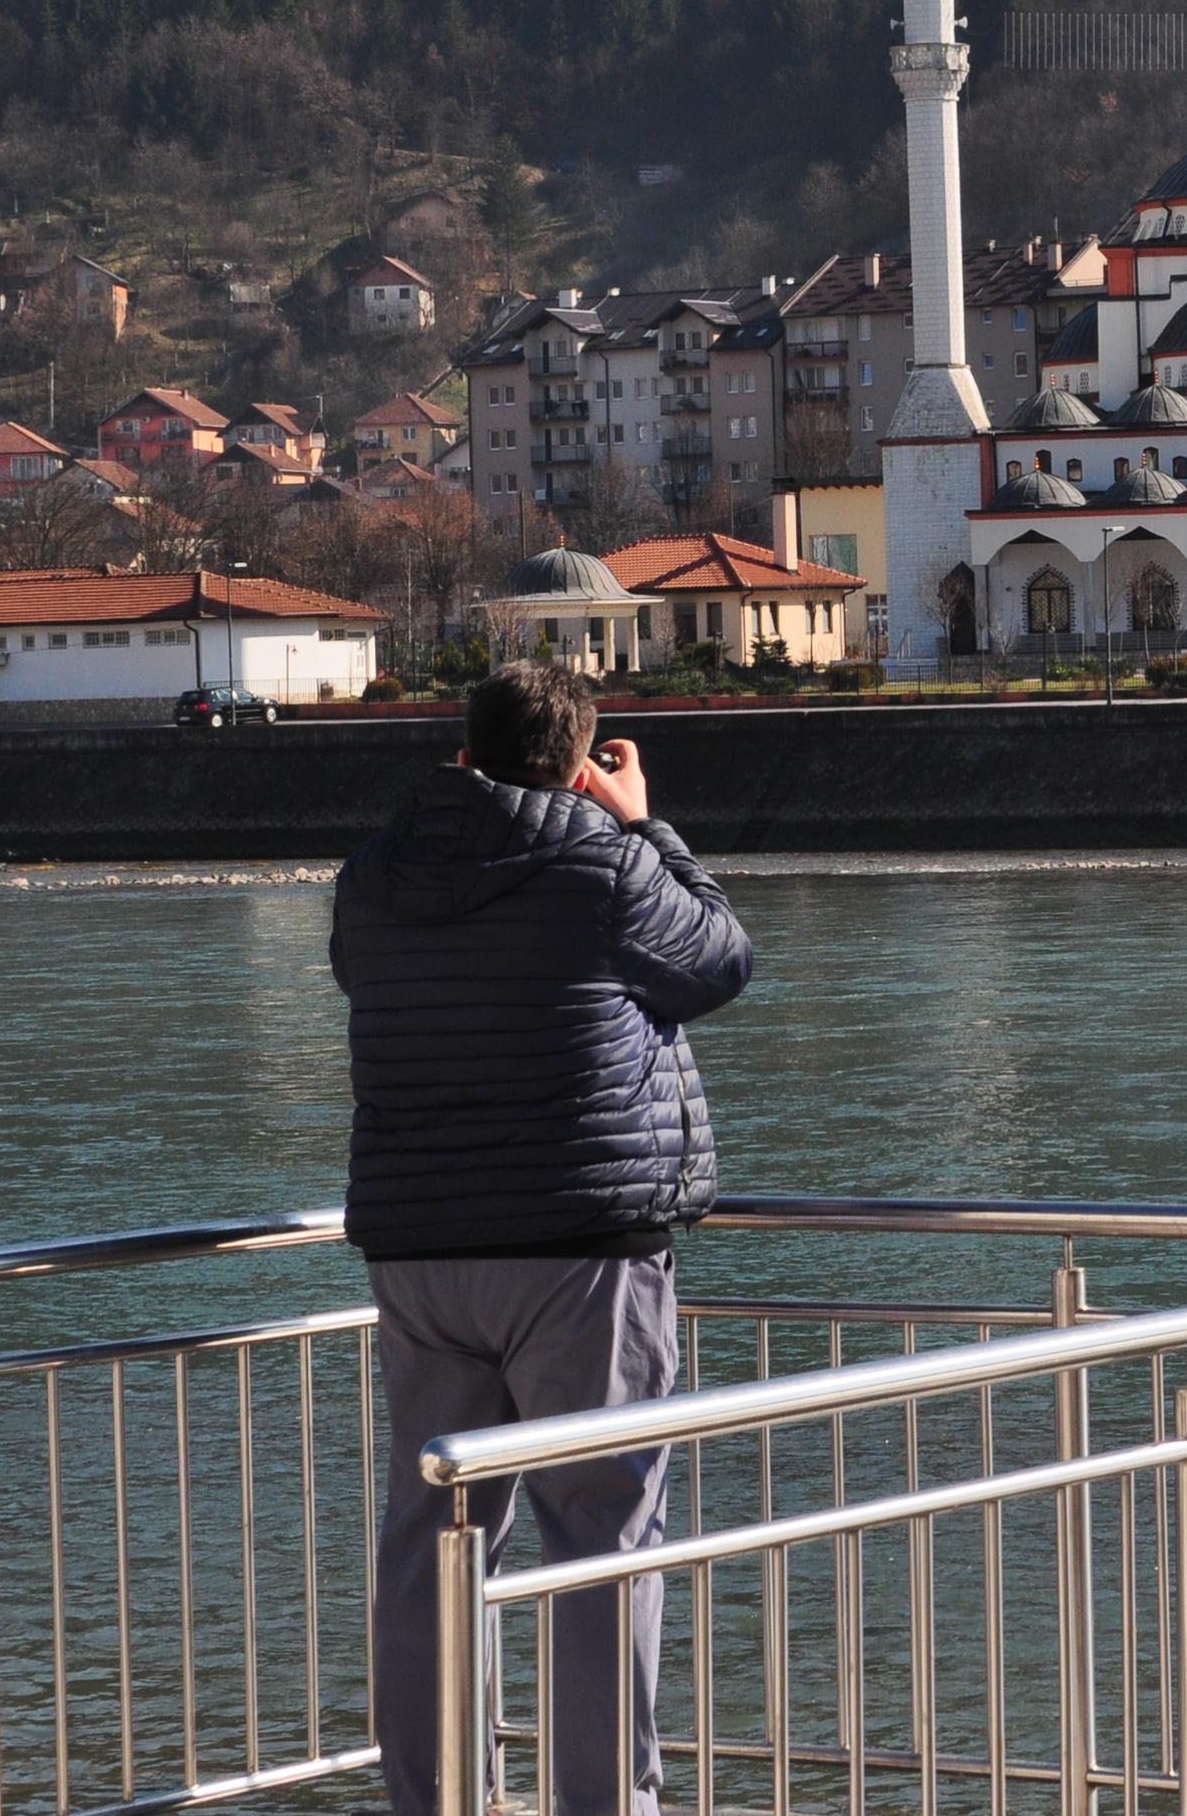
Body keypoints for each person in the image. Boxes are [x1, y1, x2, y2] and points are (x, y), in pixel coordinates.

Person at [332, 664, 754, 1816]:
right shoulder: (606, 863)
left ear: (464, 752)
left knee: (433, 1539)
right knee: (604, 1536)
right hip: (579, 1247)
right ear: (579, 760)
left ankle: (435, 1800)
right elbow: (720, 960)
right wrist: (646, 822)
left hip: (420, 1252)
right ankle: (605, 1805)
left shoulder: (373, 876)